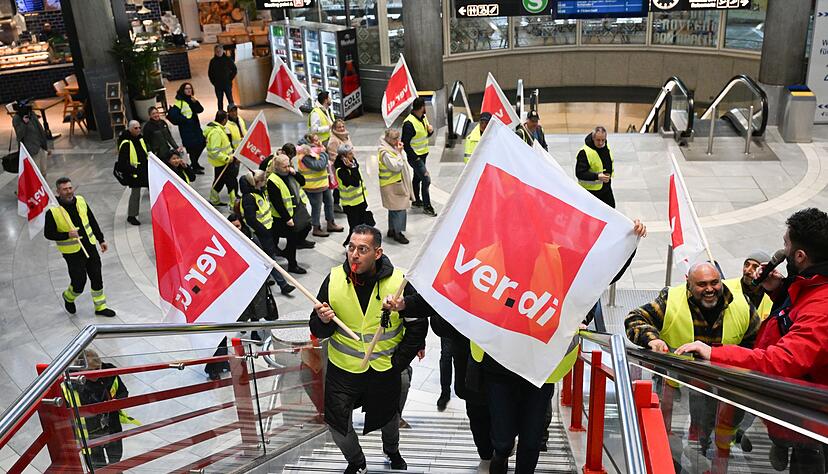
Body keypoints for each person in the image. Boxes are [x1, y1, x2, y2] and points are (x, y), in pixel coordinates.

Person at [477, 220, 648, 474]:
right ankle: (501, 455)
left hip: (541, 367)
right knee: (502, 439)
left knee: (532, 438)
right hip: (498, 365)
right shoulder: (486, 258)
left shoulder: (558, 257)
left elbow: (600, 272)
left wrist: (629, 241)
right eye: (515, 226)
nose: (521, 232)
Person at [677, 208, 828, 473]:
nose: (782, 252)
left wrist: (714, 354)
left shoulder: (822, 306)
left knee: (807, 462)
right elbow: (796, 316)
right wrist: (779, 291)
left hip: (810, 420)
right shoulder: (813, 286)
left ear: (800, 256)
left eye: (786, 245)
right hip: (791, 409)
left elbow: (782, 360)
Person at [310, 224, 432, 474]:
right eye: (351, 247)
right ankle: (356, 461)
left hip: (385, 368)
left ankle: (392, 449)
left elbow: (418, 324)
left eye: (362, 249)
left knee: (389, 419)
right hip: (343, 369)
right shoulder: (333, 279)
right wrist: (321, 321)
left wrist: (399, 361)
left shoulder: (399, 281)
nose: (354, 254)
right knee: (337, 424)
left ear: (377, 253)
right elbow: (318, 329)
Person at [626, 261, 760, 457]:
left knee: (718, 431)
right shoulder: (671, 299)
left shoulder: (741, 304)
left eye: (715, 283)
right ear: (688, 283)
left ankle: (717, 455)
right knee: (684, 434)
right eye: (702, 284)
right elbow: (635, 318)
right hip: (678, 385)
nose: (710, 289)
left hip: (723, 383)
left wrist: (737, 365)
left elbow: (756, 341)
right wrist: (652, 340)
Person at [205, 214, 283, 380]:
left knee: (257, 309)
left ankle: (255, 331)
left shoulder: (251, 238)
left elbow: (261, 256)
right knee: (243, 310)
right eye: (233, 226)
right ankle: (244, 327)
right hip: (238, 284)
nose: (236, 229)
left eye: (238, 226)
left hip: (254, 282)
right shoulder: (223, 244)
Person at [44, 177, 116, 317]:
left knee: (96, 276)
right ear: (58, 192)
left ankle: (100, 307)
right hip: (72, 253)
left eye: (70, 188)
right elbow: (48, 234)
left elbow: (92, 220)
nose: (69, 191)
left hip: (89, 246)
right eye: (65, 189)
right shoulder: (53, 211)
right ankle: (68, 297)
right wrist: (67, 235)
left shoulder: (81, 201)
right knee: (79, 282)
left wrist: (100, 239)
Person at [430, 314, 493, 470]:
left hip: (503, 368)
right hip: (470, 369)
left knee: (503, 418)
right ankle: (487, 456)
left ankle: (501, 450)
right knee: (477, 415)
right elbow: (440, 326)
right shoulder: (456, 291)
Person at [63, 349, 137, 468]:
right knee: (97, 465)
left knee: (116, 457)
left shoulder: (110, 375)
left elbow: (122, 391)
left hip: (111, 426)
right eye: (91, 371)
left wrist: (117, 402)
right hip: (90, 434)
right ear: (81, 370)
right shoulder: (72, 386)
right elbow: (67, 416)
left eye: (98, 369)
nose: (96, 373)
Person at [239, 170, 295, 295]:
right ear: (257, 182)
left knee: (267, 258)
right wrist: (264, 232)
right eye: (263, 181)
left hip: (266, 231)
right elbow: (251, 219)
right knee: (269, 259)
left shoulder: (259, 193)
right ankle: (283, 284)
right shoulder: (250, 198)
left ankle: (269, 280)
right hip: (259, 234)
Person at [266, 154, 313, 274]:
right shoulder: (273, 180)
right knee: (279, 241)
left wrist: (294, 172)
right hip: (280, 217)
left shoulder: (290, 174)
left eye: (289, 166)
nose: (287, 168)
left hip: (294, 211)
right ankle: (289, 264)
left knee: (302, 229)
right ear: (277, 167)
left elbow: (302, 182)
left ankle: (290, 258)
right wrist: (287, 218)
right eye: (284, 167)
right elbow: (277, 203)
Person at [298, 136, 343, 237]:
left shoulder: (316, 151)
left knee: (329, 202)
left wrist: (322, 152)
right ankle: (316, 227)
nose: (319, 141)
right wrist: (323, 153)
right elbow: (319, 166)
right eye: (316, 140)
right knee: (316, 207)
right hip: (313, 186)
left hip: (322, 184)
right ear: (310, 143)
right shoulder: (305, 154)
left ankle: (330, 223)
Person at [401, 97, 436, 217]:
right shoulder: (409, 124)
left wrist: (430, 131)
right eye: (424, 106)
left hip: (423, 154)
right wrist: (415, 158)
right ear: (421, 108)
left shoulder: (423, 118)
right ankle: (427, 206)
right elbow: (405, 143)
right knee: (426, 179)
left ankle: (416, 200)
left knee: (417, 178)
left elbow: (426, 133)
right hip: (416, 157)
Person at [334, 143, 372, 246]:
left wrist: (353, 167)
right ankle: (349, 245)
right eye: (350, 153)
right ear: (343, 156)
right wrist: (353, 168)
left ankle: (355, 243)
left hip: (360, 200)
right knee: (354, 227)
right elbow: (355, 183)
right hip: (351, 205)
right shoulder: (341, 170)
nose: (353, 155)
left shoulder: (353, 163)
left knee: (360, 225)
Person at [167, 82, 206, 174]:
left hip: (195, 128)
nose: (189, 90)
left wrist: (195, 102)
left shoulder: (191, 100)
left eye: (190, 88)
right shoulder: (179, 102)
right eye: (186, 89)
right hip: (187, 130)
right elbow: (174, 116)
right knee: (192, 148)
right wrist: (185, 120)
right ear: (182, 90)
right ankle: (195, 166)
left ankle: (194, 163)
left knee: (202, 143)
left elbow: (200, 109)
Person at [723, 251, 774, 319]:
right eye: (746, 265)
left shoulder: (773, 298)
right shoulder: (726, 287)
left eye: (755, 267)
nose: (747, 271)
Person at [204, 110, 238, 208]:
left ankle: (214, 199)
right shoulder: (216, 132)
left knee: (220, 181)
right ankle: (233, 203)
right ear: (224, 119)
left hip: (222, 162)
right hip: (223, 162)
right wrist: (227, 158)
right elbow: (215, 151)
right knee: (231, 182)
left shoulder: (217, 129)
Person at [117, 120, 148, 226]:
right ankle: (132, 215)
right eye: (136, 128)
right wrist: (133, 170)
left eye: (139, 127)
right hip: (135, 174)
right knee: (135, 194)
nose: (138, 130)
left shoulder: (140, 138)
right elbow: (122, 163)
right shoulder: (126, 143)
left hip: (144, 170)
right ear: (130, 129)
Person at [576, 126, 615, 208]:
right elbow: (580, 173)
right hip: (591, 191)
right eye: (598, 140)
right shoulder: (584, 152)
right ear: (593, 138)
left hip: (606, 188)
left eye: (603, 140)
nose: (601, 143)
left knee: (611, 211)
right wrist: (597, 176)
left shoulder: (605, 146)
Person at [12, 101, 49, 175]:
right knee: (36, 173)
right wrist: (24, 123)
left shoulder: (31, 114)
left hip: (40, 146)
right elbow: (19, 135)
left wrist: (45, 146)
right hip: (31, 149)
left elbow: (40, 129)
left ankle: (43, 186)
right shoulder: (17, 118)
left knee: (43, 171)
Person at [327, 119, 352, 213]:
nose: (341, 129)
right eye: (339, 127)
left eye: (342, 126)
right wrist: (344, 163)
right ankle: (336, 204)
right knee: (340, 186)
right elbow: (333, 156)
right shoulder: (333, 140)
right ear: (334, 128)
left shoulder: (346, 136)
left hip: (349, 163)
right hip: (340, 166)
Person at [208, 44, 236, 111]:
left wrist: (230, 79)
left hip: (227, 84)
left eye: (220, 51)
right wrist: (214, 82)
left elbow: (234, 69)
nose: (219, 53)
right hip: (218, 85)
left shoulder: (228, 59)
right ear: (215, 52)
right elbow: (210, 73)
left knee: (230, 99)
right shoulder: (212, 61)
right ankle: (221, 113)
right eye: (217, 51)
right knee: (220, 100)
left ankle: (233, 112)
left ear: (223, 51)